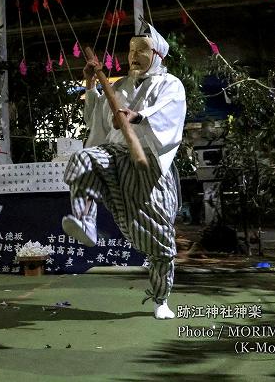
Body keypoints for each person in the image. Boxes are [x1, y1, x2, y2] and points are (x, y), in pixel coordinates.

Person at [62, 23, 186, 319]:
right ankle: (84, 220)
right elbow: (97, 123)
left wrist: (139, 116)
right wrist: (91, 86)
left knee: (158, 240)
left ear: (157, 54)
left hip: (149, 165)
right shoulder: (118, 86)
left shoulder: (170, 84)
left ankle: (161, 299)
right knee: (84, 159)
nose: (134, 55)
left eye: (142, 49)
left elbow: (169, 111)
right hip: (117, 155)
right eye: (131, 49)